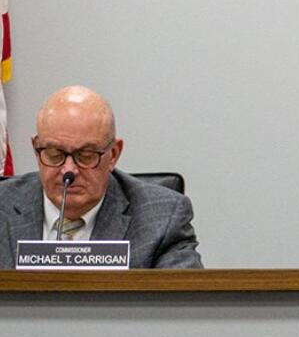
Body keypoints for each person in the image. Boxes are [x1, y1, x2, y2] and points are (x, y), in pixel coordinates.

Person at [0, 86, 202, 269]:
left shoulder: (162, 219)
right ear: (37, 150)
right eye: (54, 154)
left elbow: (182, 306)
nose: (68, 170)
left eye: (85, 156)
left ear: (113, 154)